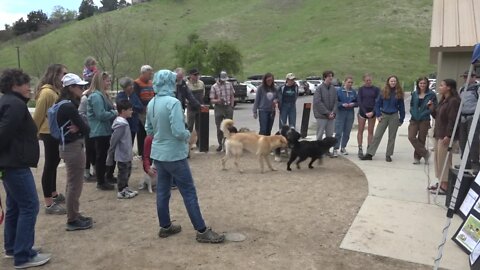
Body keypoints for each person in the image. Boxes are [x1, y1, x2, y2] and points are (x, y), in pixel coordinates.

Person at [146, 69, 224, 243]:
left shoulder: (152, 103)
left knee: (163, 192)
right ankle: (201, 230)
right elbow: (178, 131)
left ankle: (165, 226)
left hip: (159, 154)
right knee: (189, 192)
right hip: (174, 154)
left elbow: (149, 130)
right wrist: (188, 136)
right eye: (173, 81)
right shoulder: (172, 103)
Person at [0, 69, 51, 268]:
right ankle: (23, 255)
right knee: (30, 206)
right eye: (25, 83)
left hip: (10, 163)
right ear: (14, 85)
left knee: (14, 206)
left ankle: (12, 247)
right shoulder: (14, 104)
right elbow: (4, 133)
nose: (29, 87)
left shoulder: (8, 102)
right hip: (15, 164)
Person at [56, 73, 93, 231]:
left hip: (68, 145)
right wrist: (81, 125)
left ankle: (74, 214)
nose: (82, 89)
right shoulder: (69, 106)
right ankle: (72, 219)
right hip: (72, 147)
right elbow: (86, 128)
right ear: (70, 88)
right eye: (79, 86)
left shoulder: (62, 103)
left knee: (72, 182)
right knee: (74, 184)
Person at [32, 64, 68, 215]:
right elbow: (38, 115)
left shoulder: (55, 91)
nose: (65, 76)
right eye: (63, 74)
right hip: (48, 133)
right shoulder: (47, 93)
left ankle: (53, 193)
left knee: (54, 163)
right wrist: (33, 133)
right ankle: (48, 203)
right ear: (55, 74)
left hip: (54, 132)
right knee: (49, 165)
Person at [361, 75, 405, 162]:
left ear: (397, 82)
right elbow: (377, 104)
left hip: (394, 116)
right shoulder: (383, 91)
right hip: (384, 115)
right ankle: (370, 154)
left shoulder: (399, 93)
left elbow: (402, 107)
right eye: (391, 81)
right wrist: (378, 115)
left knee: (391, 137)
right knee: (377, 135)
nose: (393, 83)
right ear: (388, 82)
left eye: (394, 81)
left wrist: (401, 119)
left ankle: (388, 154)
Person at [428, 79, 460, 194]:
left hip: (445, 136)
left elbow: (453, 120)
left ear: (449, 88)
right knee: (438, 160)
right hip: (439, 133)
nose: (439, 87)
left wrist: (449, 135)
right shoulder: (443, 100)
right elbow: (437, 116)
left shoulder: (453, 101)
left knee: (444, 161)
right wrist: (431, 108)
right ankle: (441, 182)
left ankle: (445, 186)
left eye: (442, 85)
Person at [87, 71, 117, 191]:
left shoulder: (102, 95)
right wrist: (114, 113)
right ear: (100, 81)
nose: (109, 83)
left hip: (104, 130)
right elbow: (100, 114)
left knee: (104, 155)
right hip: (99, 131)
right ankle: (101, 181)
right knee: (101, 156)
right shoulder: (96, 96)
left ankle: (105, 177)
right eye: (107, 80)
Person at [106, 100, 138, 199]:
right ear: (123, 111)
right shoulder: (120, 124)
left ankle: (125, 187)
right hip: (122, 154)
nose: (131, 112)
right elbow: (114, 140)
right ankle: (121, 190)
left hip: (126, 153)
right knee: (123, 172)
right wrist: (110, 153)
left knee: (127, 171)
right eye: (129, 110)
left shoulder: (124, 123)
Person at [408, 77, 437, 164]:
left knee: (421, 139)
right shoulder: (414, 94)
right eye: (421, 83)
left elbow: (434, 106)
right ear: (418, 84)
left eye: (424, 83)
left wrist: (427, 111)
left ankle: (417, 158)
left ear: (427, 84)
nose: (422, 85)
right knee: (411, 137)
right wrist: (412, 112)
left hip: (424, 119)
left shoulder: (431, 94)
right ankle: (425, 153)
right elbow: (412, 105)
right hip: (414, 118)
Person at [458, 70, 480, 171]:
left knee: (473, 141)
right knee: (462, 141)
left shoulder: (478, 88)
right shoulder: (462, 88)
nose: (465, 79)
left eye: (467, 77)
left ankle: (475, 163)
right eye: (464, 77)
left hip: (473, 117)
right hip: (463, 117)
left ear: (474, 77)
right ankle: (465, 163)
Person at [210, 71, 235, 152]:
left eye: (225, 79)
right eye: (222, 79)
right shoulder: (214, 86)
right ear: (219, 78)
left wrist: (231, 105)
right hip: (219, 107)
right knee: (219, 127)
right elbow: (212, 99)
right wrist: (217, 100)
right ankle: (220, 144)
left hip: (228, 107)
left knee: (229, 126)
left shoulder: (229, 84)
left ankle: (229, 143)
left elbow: (232, 95)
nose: (223, 81)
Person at [356, 74, 380, 158]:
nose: (368, 82)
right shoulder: (361, 89)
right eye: (367, 80)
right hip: (363, 112)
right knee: (360, 130)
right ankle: (360, 148)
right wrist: (365, 112)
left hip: (372, 112)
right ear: (364, 81)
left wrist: (373, 112)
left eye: (370, 80)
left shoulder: (376, 89)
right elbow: (359, 101)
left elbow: (378, 101)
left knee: (370, 131)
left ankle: (369, 149)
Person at [333, 76, 358, 157]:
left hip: (350, 112)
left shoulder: (353, 91)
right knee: (338, 131)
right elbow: (335, 101)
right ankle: (335, 148)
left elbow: (357, 102)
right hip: (341, 112)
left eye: (351, 82)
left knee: (347, 132)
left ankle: (343, 147)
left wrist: (353, 104)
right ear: (345, 82)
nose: (350, 84)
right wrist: (341, 104)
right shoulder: (339, 91)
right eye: (348, 82)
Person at [133, 65, 154, 157]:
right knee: (142, 131)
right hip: (142, 110)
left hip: (150, 109)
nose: (151, 75)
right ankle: (142, 152)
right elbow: (136, 97)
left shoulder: (151, 83)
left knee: (149, 131)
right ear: (143, 73)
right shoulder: (136, 83)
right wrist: (142, 108)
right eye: (149, 73)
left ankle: (149, 151)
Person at [116, 77, 144, 145]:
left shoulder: (133, 95)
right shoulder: (120, 96)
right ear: (125, 87)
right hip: (124, 125)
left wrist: (131, 108)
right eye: (130, 85)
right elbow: (123, 108)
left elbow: (140, 107)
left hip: (133, 125)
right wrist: (132, 108)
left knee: (130, 144)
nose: (132, 87)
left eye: (132, 85)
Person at [78, 82, 96, 182]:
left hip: (93, 128)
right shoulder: (85, 98)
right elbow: (81, 113)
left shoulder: (92, 96)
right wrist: (89, 123)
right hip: (88, 128)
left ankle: (94, 171)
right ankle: (86, 172)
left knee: (93, 150)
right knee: (89, 150)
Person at [313, 70, 338, 141]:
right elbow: (318, 102)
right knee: (320, 134)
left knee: (330, 135)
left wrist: (333, 112)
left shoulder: (333, 89)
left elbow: (336, 101)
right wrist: (327, 113)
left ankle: (327, 150)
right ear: (324, 77)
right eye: (329, 76)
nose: (331, 78)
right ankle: (318, 151)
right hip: (321, 116)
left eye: (332, 76)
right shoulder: (319, 89)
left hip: (331, 116)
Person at [186, 68, 205, 137]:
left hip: (200, 107)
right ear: (190, 75)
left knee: (199, 126)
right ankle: (188, 142)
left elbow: (203, 94)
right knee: (190, 126)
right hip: (191, 108)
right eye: (195, 75)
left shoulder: (201, 83)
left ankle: (198, 143)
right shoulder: (187, 84)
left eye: (197, 75)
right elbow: (185, 97)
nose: (196, 76)